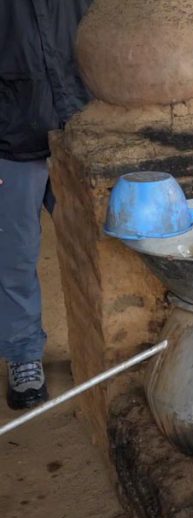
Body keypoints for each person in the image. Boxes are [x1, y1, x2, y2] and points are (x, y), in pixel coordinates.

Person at [1, 0, 93, 409]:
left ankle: (99, 351)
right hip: (11, 138)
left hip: (80, 131)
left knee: (95, 247)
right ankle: (23, 357)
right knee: (14, 257)